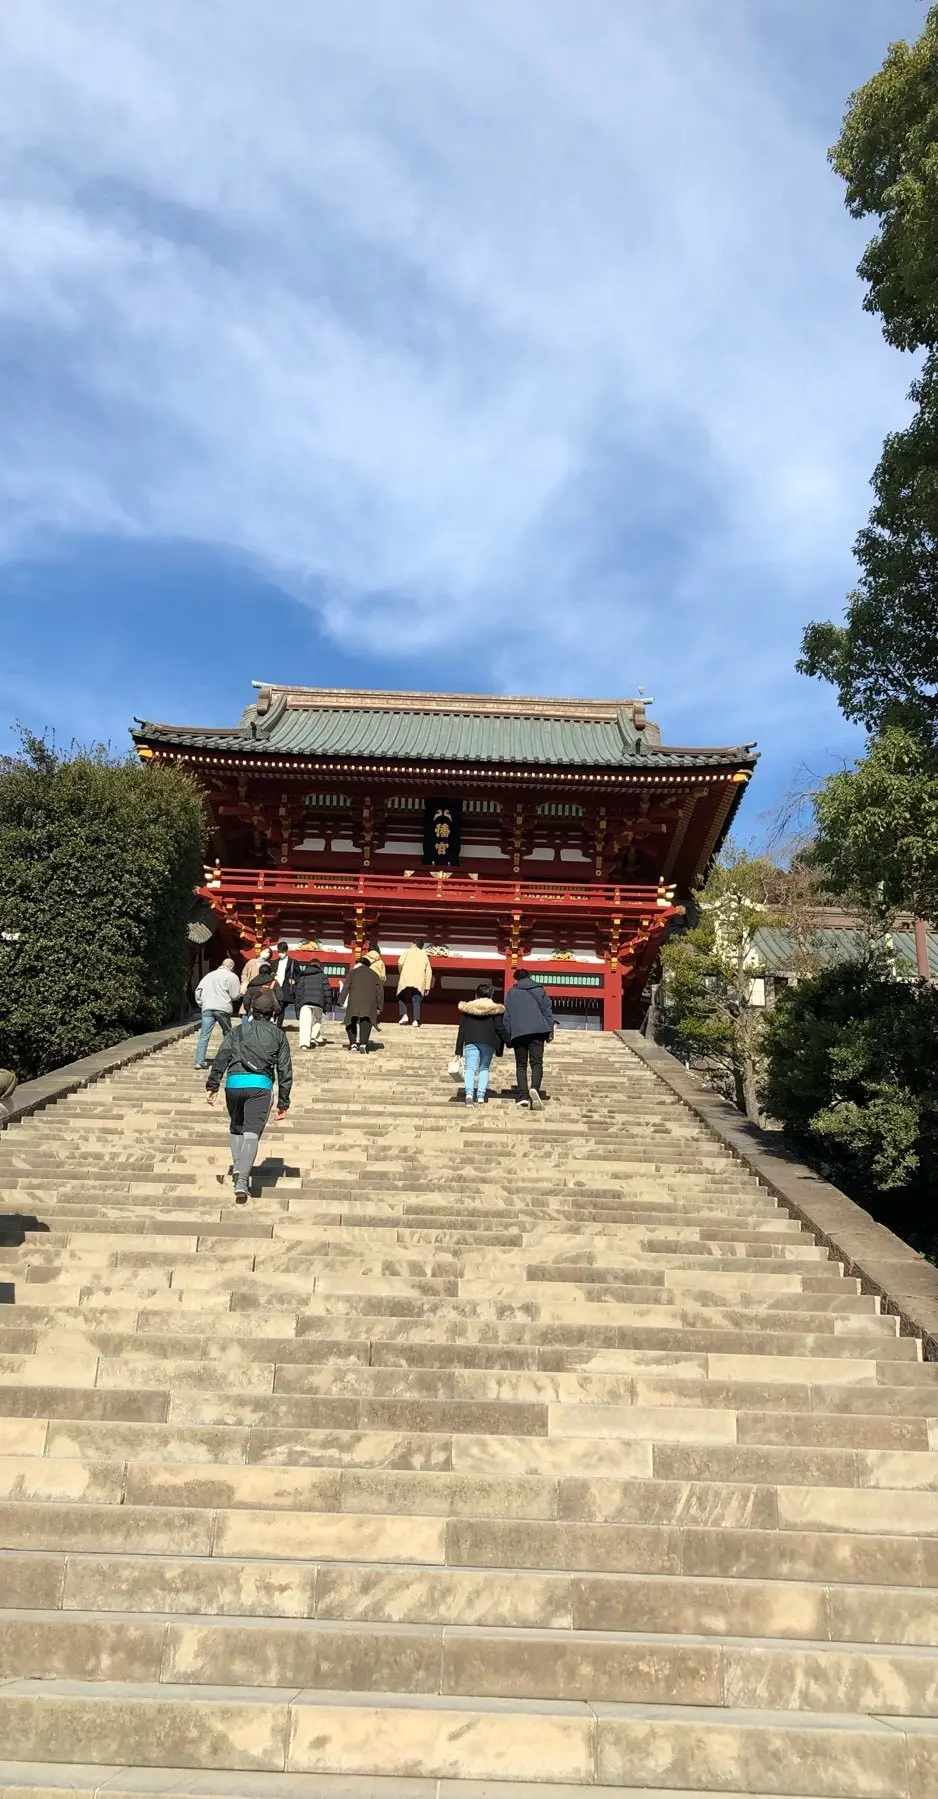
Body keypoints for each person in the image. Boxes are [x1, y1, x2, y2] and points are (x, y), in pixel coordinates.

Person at [206, 988, 292, 1202]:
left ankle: (237, 1166)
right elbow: (284, 1070)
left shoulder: (237, 1031)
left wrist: (213, 1084)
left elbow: (222, 1057)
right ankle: (242, 1181)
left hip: (234, 1084)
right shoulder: (278, 1035)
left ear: (252, 1010)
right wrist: (283, 1101)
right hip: (260, 1086)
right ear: (273, 1013)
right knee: (252, 1133)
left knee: (236, 1127)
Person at [503, 968, 555, 1109]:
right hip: (538, 1031)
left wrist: (508, 1035)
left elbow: (507, 1015)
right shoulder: (540, 990)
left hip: (519, 1033)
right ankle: (535, 1089)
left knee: (521, 1065)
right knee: (536, 1062)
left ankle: (523, 1096)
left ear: (516, 979)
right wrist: (550, 1031)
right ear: (529, 977)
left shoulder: (512, 992)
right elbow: (547, 1011)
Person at [455, 980, 507, 1106]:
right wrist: (508, 1041)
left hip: (471, 1041)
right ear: (491, 995)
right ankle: (480, 1095)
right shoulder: (495, 1009)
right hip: (489, 1042)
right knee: (484, 1068)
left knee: (470, 1069)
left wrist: (458, 1049)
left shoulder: (467, 1009)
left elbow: (462, 1029)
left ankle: (468, 1093)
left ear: (476, 994)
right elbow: (500, 1028)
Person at [193, 956, 242, 1069]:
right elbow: (234, 996)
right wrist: (241, 992)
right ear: (231, 966)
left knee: (204, 1035)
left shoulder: (208, 976)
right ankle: (227, 1059)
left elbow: (198, 992)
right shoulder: (231, 976)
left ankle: (199, 1061)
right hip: (223, 1008)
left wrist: (201, 1003)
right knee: (227, 1034)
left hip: (207, 1007)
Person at [339, 955, 384, 1053]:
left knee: (351, 1020)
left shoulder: (353, 973)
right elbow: (380, 991)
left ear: (359, 964)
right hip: (369, 1002)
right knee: (366, 1020)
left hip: (354, 1000)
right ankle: (363, 1043)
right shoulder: (374, 974)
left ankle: (353, 1043)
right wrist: (379, 1006)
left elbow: (346, 986)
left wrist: (341, 1000)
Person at [292, 956, 333, 1049]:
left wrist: (297, 1007)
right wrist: (328, 1006)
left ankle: (304, 1043)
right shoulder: (323, 976)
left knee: (304, 1023)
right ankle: (314, 1036)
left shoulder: (303, 976)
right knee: (317, 1020)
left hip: (304, 1002)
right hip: (318, 1002)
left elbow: (298, 992)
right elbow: (327, 991)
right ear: (319, 966)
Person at [396, 938, 433, 1027]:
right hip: (419, 981)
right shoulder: (424, 955)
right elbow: (429, 972)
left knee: (402, 997)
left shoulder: (407, 952)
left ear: (414, 944)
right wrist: (427, 986)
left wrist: (402, 973)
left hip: (406, 979)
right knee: (416, 1000)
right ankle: (415, 1020)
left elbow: (400, 963)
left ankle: (404, 1015)